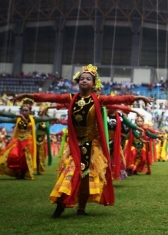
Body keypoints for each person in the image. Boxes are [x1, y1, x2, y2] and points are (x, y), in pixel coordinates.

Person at [14, 64, 152, 218]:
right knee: (70, 171)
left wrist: (138, 98)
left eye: (88, 79)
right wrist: (28, 95)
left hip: (91, 145)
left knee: (87, 177)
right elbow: (49, 97)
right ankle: (60, 204)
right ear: (77, 82)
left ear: (94, 84)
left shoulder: (99, 100)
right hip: (74, 144)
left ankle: (81, 208)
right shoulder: (70, 98)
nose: (84, 81)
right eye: (82, 78)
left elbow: (118, 99)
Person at [0, 99, 57, 179]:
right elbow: (5, 119)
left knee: (25, 158)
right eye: (23, 110)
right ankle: (17, 173)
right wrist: (15, 116)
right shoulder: (18, 119)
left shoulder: (33, 119)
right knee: (14, 155)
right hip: (17, 140)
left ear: (30, 111)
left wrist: (55, 118)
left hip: (28, 141)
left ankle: (22, 174)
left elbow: (45, 119)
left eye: (26, 110)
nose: (24, 112)